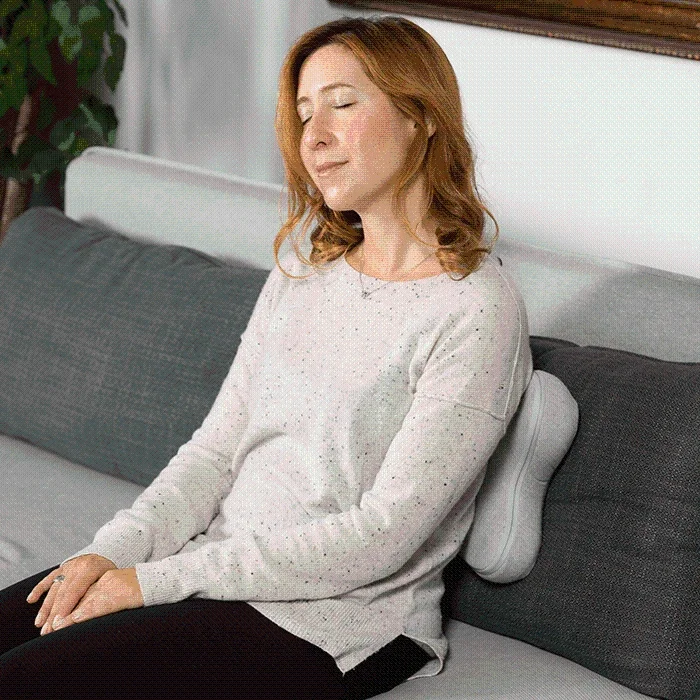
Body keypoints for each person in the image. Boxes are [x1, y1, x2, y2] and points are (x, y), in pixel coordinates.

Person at [0, 15, 532, 700]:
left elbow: (383, 535)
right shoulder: (304, 271)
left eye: (343, 104)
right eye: (305, 115)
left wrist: (151, 583)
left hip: (339, 620)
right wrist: (110, 552)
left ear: (421, 116)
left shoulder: (476, 308)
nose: (314, 137)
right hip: (215, 568)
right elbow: (215, 451)